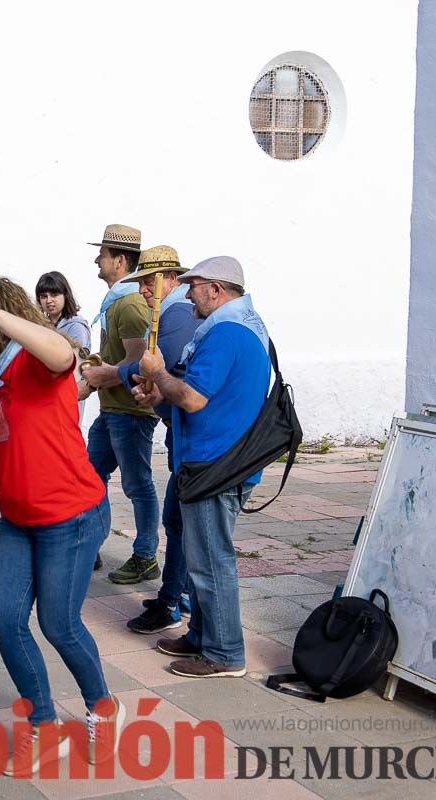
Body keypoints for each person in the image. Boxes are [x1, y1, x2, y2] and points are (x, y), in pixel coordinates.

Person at [0, 277, 123, 774]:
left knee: (59, 625)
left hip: (71, 516)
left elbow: (64, 353)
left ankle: (103, 707)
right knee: (4, 621)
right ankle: (43, 725)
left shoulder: (37, 362)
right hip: (19, 518)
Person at [132, 256, 271, 678]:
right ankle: (202, 636)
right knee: (202, 556)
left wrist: (158, 375)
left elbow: (193, 398)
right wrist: (161, 393)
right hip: (221, 459)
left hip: (216, 463)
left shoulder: (225, 333)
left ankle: (225, 653)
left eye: (193, 285)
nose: (187, 292)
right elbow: (203, 392)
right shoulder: (244, 327)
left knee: (211, 561)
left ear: (217, 289)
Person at [81, 246, 201, 634]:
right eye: (143, 282)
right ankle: (174, 596)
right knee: (176, 519)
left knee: (168, 510)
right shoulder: (151, 309)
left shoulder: (175, 313)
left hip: (167, 429)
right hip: (162, 426)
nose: (145, 290)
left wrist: (113, 375)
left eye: (151, 282)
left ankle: (173, 596)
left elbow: (158, 367)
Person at [85, 224, 161, 585]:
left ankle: (146, 555)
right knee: (88, 477)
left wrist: (100, 377)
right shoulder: (119, 299)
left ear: (119, 259)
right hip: (112, 408)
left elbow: (133, 364)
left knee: (138, 485)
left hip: (130, 411)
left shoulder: (129, 302)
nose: (96, 260)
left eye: (101, 254)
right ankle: (89, 546)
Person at [36, 270, 93, 426]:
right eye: (43, 296)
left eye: (54, 295)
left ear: (65, 295)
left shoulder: (76, 327)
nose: (49, 300)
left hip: (67, 396)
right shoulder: (42, 326)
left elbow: (75, 367)